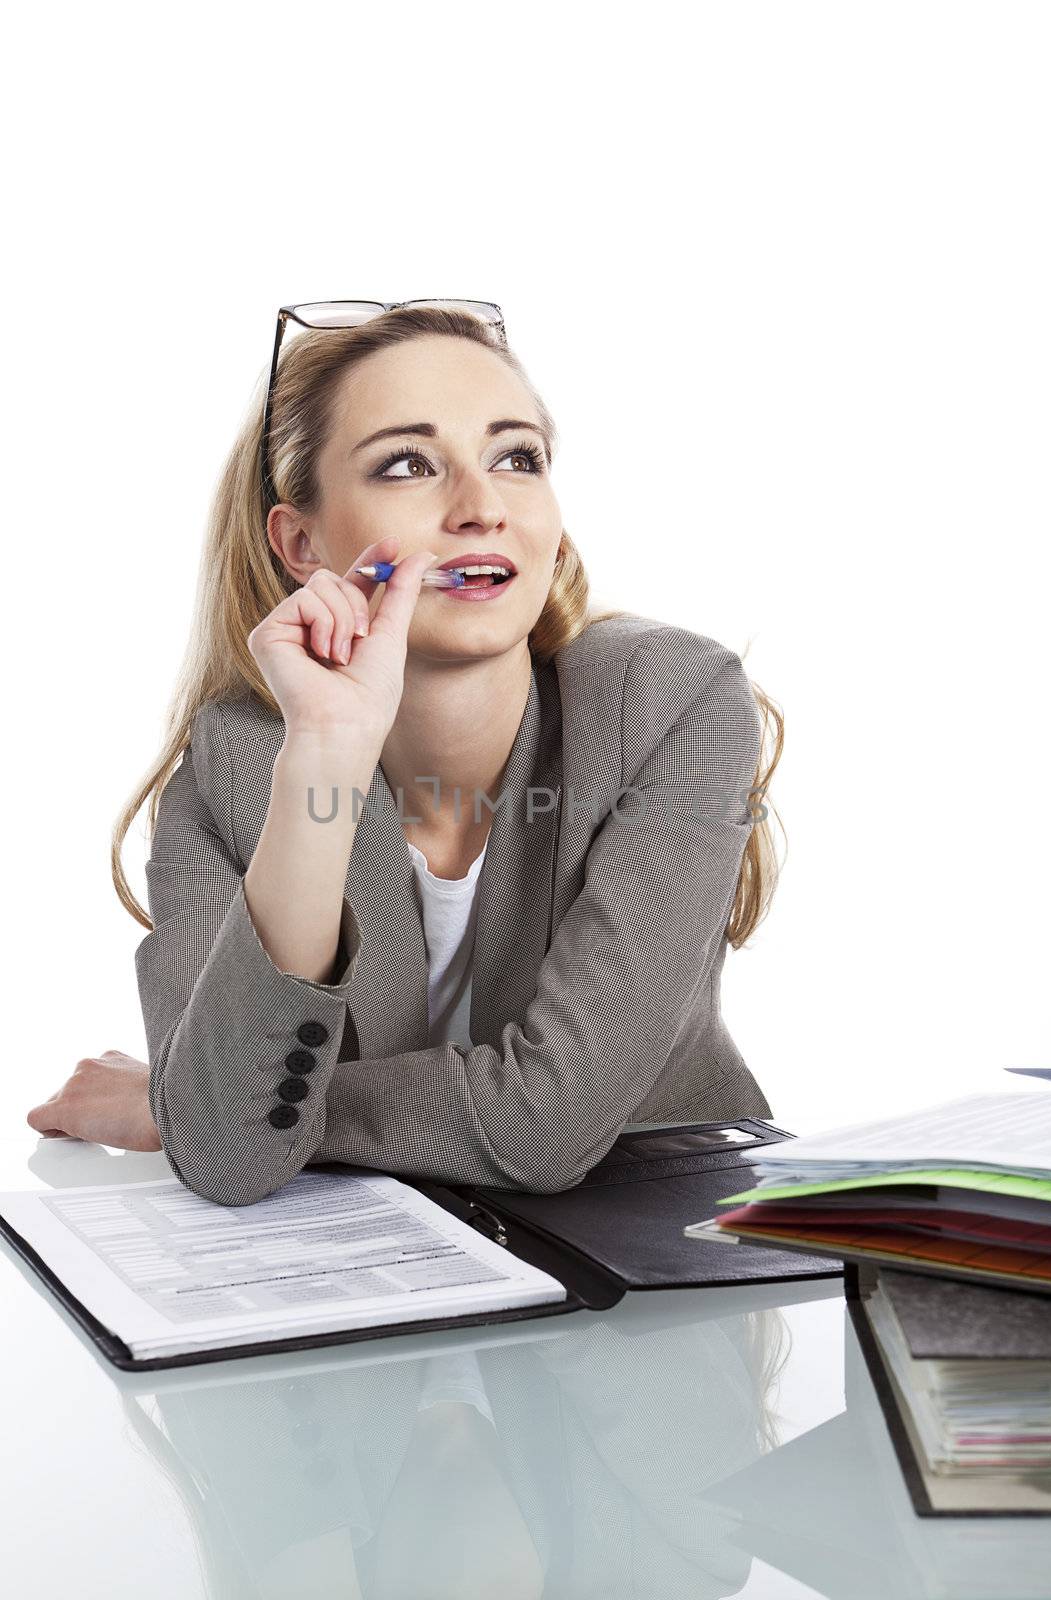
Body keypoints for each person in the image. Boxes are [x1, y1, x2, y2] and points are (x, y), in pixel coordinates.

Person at [26, 303, 783, 1206]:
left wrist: (191, 1103)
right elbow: (228, 1165)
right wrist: (326, 757)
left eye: (516, 457)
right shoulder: (231, 770)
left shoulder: (669, 699)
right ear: (302, 544)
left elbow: (543, 1128)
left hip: (664, 1263)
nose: (481, 507)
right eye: (408, 465)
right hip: (378, 1283)